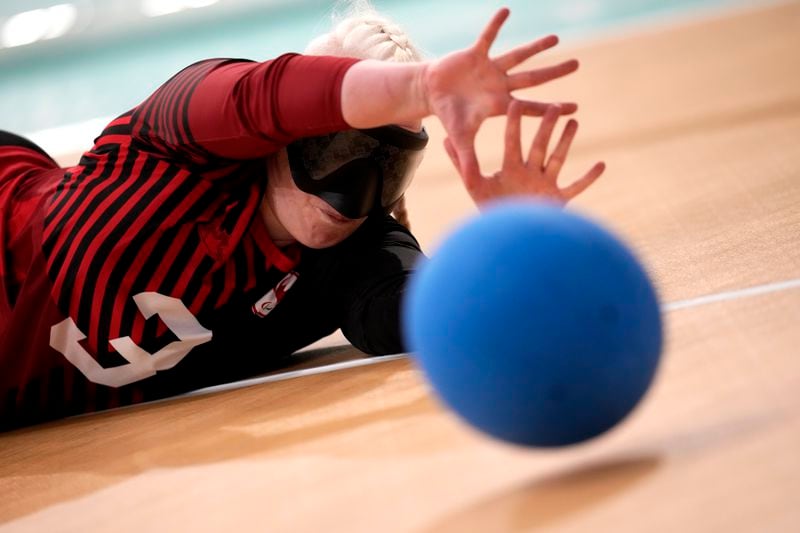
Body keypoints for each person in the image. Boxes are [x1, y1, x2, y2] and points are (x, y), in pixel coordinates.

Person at [0, 4, 604, 430]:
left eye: (384, 170)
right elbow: (259, 93)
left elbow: (423, 316)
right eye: (339, 151)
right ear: (286, 132)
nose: (354, 190)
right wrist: (418, 85)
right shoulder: (173, 144)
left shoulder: (353, 253)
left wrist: (512, 245)